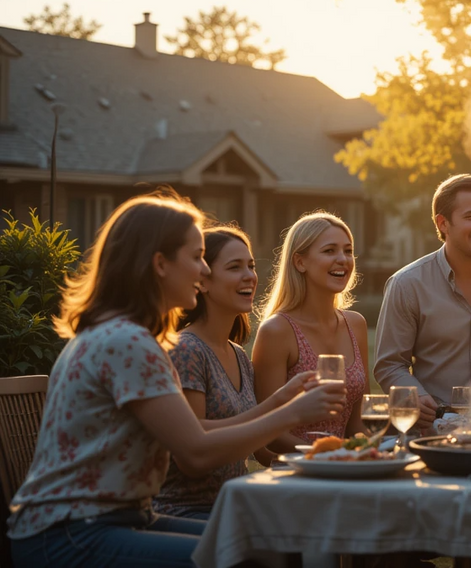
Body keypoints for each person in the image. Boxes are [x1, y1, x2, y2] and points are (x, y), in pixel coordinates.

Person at [7, 193, 346, 568]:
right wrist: (291, 414)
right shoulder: (128, 343)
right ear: (160, 264)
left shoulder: (126, 335)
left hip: (119, 518)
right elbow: (196, 454)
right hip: (69, 533)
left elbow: (195, 435)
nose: (203, 272)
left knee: (271, 547)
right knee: (249, 557)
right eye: (197, 257)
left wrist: (279, 402)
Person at [153, 225, 305, 519]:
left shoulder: (238, 354)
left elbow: (260, 451)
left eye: (250, 265)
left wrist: (319, 459)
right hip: (187, 511)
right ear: (203, 282)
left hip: (233, 505)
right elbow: (194, 449)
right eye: (235, 267)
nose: (249, 276)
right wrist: (286, 410)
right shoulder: (187, 350)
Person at [374, 174, 471, 431]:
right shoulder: (407, 284)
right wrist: (414, 395)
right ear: (443, 223)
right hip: (434, 431)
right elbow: (390, 365)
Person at [252, 211, 370, 445]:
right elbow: (266, 436)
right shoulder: (277, 331)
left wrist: (371, 449)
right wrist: (322, 455)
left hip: (345, 468)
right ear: (300, 262)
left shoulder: (355, 324)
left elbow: (357, 425)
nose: (343, 259)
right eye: (329, 251)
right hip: (294, 472)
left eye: (348, 251)